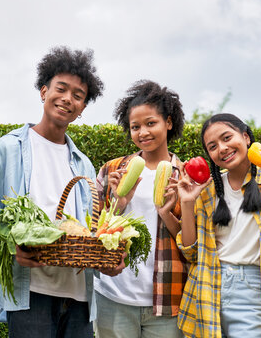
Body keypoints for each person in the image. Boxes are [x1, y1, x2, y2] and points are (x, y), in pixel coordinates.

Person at [0, 46, 120, 338]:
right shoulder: (7, 149)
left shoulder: (82, 162)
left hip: (78, 296)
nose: (68, 99)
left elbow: (88, 229)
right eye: (61, 88)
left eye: (78, 96)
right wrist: (12, 247)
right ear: (44, 91)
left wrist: (105, 258)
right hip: (30, 293)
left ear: (82, 109)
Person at [176, 113, 261, 337]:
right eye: (213, 146)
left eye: (227, 138)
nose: (222, 148)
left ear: (246, 137)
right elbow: (191, 252)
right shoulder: (207, 190)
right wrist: (187, 203)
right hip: (206, 287)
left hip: (252, 289)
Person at [94, 80, 187, 338]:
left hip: (167, 300)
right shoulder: (112, 170)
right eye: (135, 127)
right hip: (114, 296)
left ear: (168, 122)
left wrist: (166, 211)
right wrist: (118, 205)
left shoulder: (186, 177)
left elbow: (192, 245)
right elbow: (93, 234)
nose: (142, 132)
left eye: (150, 123)